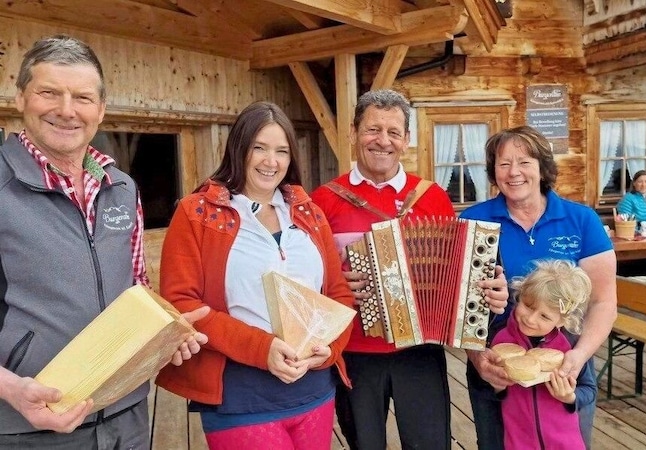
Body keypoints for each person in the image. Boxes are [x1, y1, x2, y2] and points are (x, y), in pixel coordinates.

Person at [0, 34, 207, 447]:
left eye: (82, 97)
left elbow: (136, 290)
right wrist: (10, 388)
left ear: (101, 109)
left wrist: (165, 336)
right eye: (48, 92)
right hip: (31, 423)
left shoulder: (121, 186)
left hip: (125, 411)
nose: (66, 110)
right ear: (21, 98)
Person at [310, 89, 509, 449]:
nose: (382, 141)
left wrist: (487, 290)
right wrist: (335, 283)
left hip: (421, 349)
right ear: (354, 133)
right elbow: (307, 279)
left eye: (393, 132)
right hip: (353, 350)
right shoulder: (324, 199)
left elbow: (456, 272)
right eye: (372, 130)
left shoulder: (431, 196)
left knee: (429, 444)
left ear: (406, 140)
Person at [155, 101, 355, 449]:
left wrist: (330, 350)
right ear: (238, 149)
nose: (270, 161)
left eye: (281, 151)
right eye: (259, 148)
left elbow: (338, 295)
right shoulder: (197, 213)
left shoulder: (310, 214)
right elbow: (181, 303)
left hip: (313, 389)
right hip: (240, 395)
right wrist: (263, 349)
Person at [460, 125, 617, 449]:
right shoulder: (472, 221)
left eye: (524, 162)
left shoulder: (581, 220)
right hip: (496, 362)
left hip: (563, 365)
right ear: (493, 172)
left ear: (542, 167)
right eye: (503, 164)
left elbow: (603, 302)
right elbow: (456, 304)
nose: (513, 172)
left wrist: (578, 356)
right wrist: (479, 362)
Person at [492, 259, 596, 450]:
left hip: (565, 442)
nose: (531, 319)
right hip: (518, 441)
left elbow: (589, 389)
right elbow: (494, 391)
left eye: (545, 316)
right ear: (520, 295)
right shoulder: (502, 342)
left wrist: (570, 397)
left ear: (561, 321)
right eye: (528, 306)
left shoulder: (571, 347)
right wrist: (498, 386)